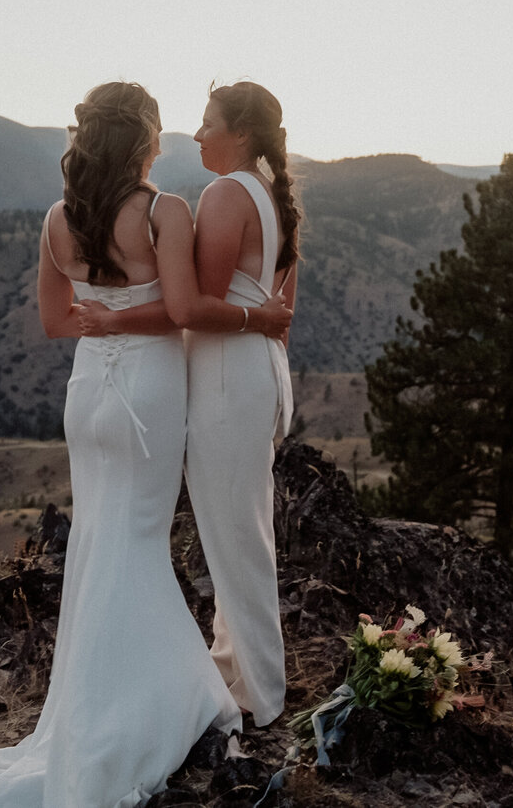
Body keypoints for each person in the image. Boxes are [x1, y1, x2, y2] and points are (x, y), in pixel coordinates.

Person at [0, 82, 290, 808]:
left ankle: (90, 703)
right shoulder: (164, 211)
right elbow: (181, 311)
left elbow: (56, 321)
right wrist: (139, 320)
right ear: (140, 140)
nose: (170, 139)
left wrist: (102, 323)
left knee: (100, 539)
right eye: (161, 129)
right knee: (137, 539)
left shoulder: (57, 220)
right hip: (149, 393)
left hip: (89, 391)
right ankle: (153, 702)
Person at [185, 81, 301, 728]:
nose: (198, 134)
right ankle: (237, 671)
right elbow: (284, 315)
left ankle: (260, 693)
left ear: (242, 134)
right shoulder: (274, 198)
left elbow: (200, 305)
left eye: (208, 123)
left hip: (228, 377)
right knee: (238, 531)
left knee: (235, 536)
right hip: (258, 374)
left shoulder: (226, 193)